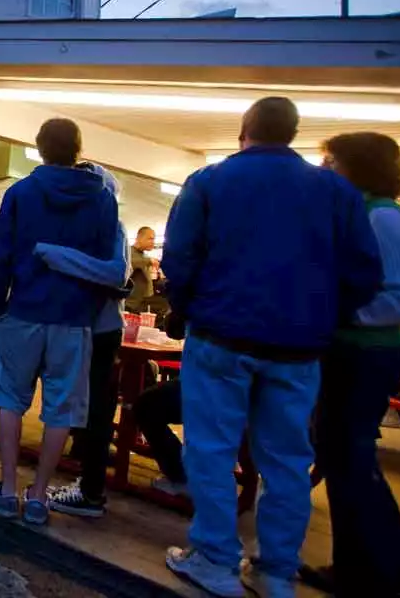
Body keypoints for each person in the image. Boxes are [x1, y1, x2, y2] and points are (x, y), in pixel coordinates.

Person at [161, 97, 382, 598]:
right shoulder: (336, 192)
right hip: (298, 348)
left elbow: (179, 257)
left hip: (220, 336)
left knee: (213, 450)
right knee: (286, 460)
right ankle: (276, 572)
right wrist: (323, 316)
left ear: (245, 132)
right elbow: (365, 273)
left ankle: (216, 560)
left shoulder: (210, 181)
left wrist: (191, 304)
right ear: (293, 135)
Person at [299, 132, 400, 597]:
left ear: (358, 166)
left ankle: (395, 571)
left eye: (332, 161)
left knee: (352, 460)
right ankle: (356, 567)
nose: (326, 169)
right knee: (340, 458)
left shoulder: (383, 218)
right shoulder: (360, 213)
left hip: (365, 352)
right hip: (348, 350)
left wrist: (348, 313)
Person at [0, 119, 119, 525]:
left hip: (24, 309)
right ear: (78, 150)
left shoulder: (22, 193)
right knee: (61, 408)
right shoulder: (103, 199)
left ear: (39, 149)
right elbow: (107, 264)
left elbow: (1, 254)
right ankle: (38, 497)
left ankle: (6, 490)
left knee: (11, 398)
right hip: (74, 318)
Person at [27, 163, 130, 518]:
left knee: (95, 410)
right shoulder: (97, 225)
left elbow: (116, 273)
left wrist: (52, 254)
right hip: (85, 326)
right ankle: (85, 485)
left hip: (97, 329)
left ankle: (90, 491)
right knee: (82, 407)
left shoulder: (111, 226)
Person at [125, 227, 158, 314]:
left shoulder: (143, 255)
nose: (153, 242)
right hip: (132, 303)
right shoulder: (128, 251)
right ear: (139, 238)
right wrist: (149, 261)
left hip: (143, 301)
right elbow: (130, 263)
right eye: (150, 238)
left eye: (153, 239)